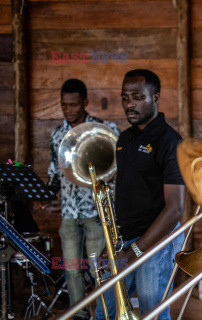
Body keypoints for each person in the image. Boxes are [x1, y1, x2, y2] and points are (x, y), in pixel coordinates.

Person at [95, 69, 185, 320]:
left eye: (137, 96)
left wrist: (134, 250)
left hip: (156, 244)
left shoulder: (170, 142)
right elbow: (124, 195)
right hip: (123, 242)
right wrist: (110, 244)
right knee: (105, 312)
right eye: (125, 97)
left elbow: (175, 208)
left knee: (152, 313)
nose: (129, 103)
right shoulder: (124, 139)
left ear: (155, 98)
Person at [47, 79, 120, 320]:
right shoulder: (57, 134)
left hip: (96, 214)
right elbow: (54, 174)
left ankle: (105, 313)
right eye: (64, 105)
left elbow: (116, 170)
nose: (68, 110)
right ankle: (78, 314)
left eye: (73, 105)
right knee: (72, 270)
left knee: (99, 269)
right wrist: (45, 196)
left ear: (85, 103)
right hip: (69, 214)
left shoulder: (103, 129)